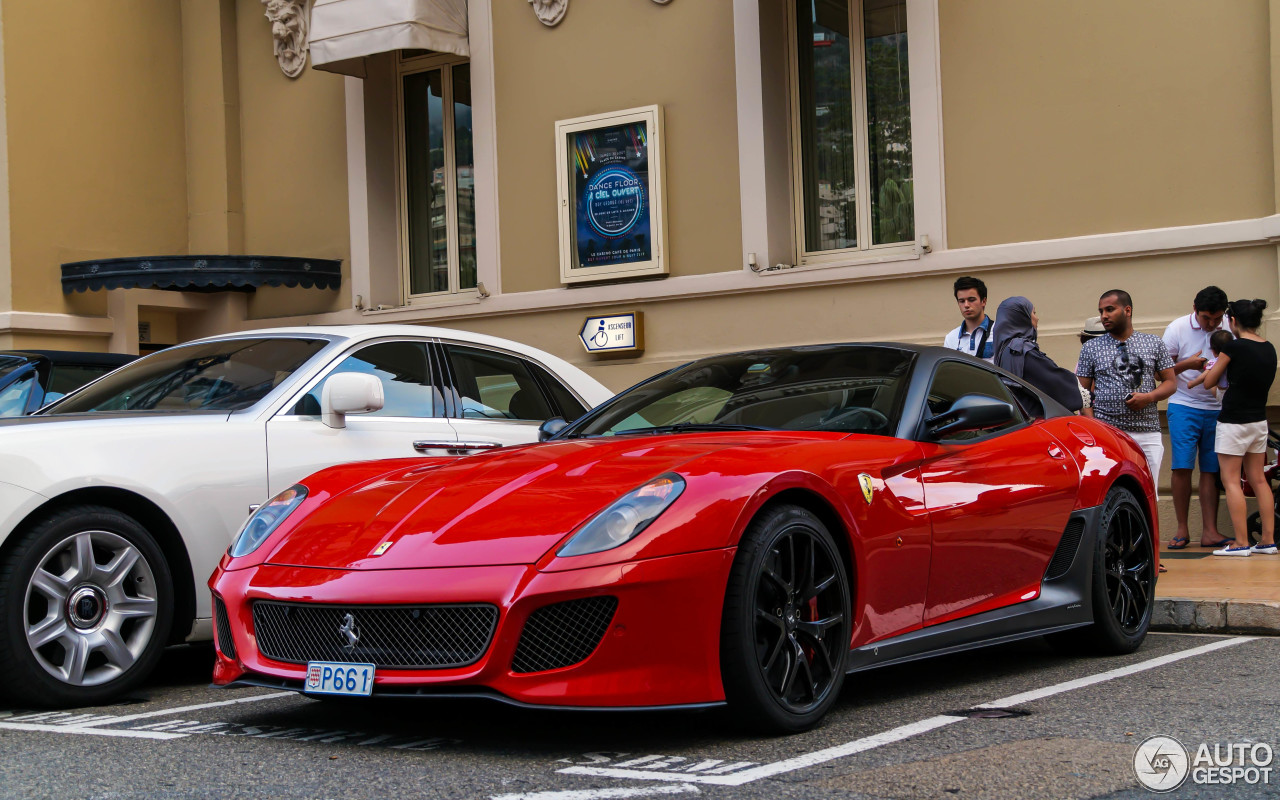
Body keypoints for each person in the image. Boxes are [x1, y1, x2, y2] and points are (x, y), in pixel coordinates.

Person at [1076, 290, 1177, 491]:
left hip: (1147, 432)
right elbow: (1081, 392)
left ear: (1127, 310)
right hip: (1109, 434)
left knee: (1148, 493)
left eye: (1110, 310)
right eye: (1101, 311)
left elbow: (1170, 383)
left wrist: (1149, 397)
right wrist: (1094, 425)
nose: (1104, 315)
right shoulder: (1091, 348)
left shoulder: (1153, 343)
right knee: (1112, 493)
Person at [1200, 299, 1277, 556]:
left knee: (1231, 480)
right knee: (1259, 481)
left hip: (1233, 422)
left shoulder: (1233, 347)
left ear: (1233, 321)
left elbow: (1210, 380)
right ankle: (1267, 540)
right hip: (1259, 421)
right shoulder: (1269, 348)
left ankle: (1241, 542)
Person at [1161, 286, 1231, 549]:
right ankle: (1181, 529)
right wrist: (1186, 365)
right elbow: (1160, 373)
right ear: (1195, 310)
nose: (1212, 324)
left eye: (1217, 318)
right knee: (1182, 467)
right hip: (1183, 404)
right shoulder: (1177, 328)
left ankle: (1210, 532)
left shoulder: (1229, 327)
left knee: (1212, 471)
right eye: (1206, 318)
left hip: (1218, 408)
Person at [992, 297, 1083, 412]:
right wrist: (1083, 392)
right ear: (1022, 317)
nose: (1037, 318)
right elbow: (1051, 381)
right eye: (1033, 313)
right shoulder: (1020, 350)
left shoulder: (1004, 349)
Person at [945, 276, 994, 362]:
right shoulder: (951, 338)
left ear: (984, 301)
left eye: (971, 300)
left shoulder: (999, 331)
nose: (966, 305)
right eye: (962, 301)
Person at [1187, 330, 1234, 401]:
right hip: (1233, 391)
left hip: (1222, 392)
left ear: (1213, 350)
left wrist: (1192, 383)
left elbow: (1204, 376)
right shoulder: (1235, 359)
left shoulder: (1215, 362)